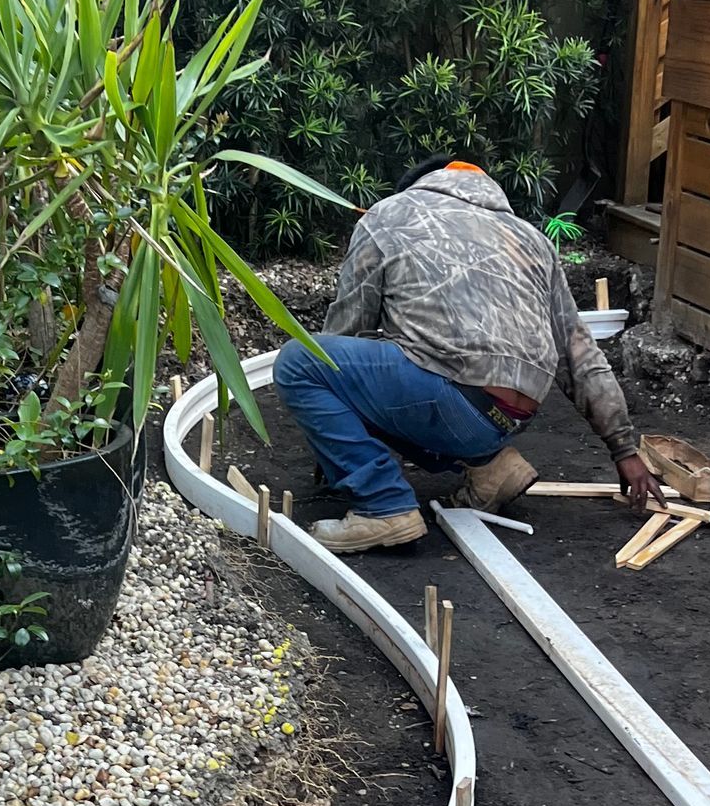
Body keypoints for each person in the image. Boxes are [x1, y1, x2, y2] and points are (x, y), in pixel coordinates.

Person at [272, 156, 664, 553]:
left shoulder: (388, 216)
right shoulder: (531, 239)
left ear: (418, 186)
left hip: (448, 402)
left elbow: (346, 328)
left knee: (299, 362)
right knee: (417, 360)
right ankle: (490, 467)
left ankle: (382, 505)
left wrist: (335, 434)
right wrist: (624, 449)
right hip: (507, 416)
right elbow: (579, 353)